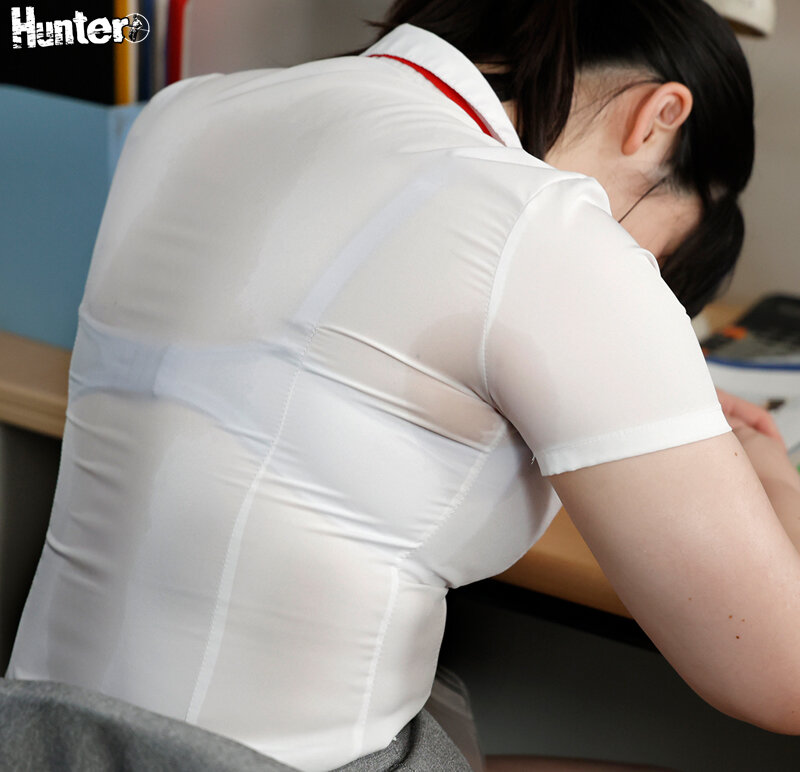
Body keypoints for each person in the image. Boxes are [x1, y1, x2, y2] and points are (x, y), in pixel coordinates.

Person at [7, 0, 800, 770]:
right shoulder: (544, 223)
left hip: (40, 735)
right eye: (655, 263)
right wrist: (770, 472)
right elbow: (782, 677)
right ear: (659, 117)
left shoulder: (184, 114)